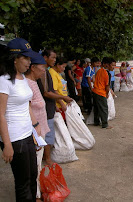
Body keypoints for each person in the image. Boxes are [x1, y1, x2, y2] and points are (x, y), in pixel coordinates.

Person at [0, 38, 41, 201]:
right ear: (14, 58)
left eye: (30, 58)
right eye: (26, 58)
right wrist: (7, 145)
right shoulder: (4, 80)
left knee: (32, 176)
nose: (29, 62)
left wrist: (35, 125)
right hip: (15, 138)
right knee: (23, 183)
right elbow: (0, 114)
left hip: (27, 134)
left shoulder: (22, 78)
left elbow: (27, 105)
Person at [38, 49, 72, 166]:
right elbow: (47, 92)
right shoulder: (44, 72)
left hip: (50, 106)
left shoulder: (46, 71)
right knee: (48, 134)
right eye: (53, 58)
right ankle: (47, 159)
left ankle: (45, 156)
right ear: (45, 57)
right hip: (46, 109)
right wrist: (63, 99)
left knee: (47, 133)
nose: (54, 60)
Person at [25, 53, 50, 201]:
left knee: (37, 164)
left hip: (40, 130)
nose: (43, 71)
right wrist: (35, 129)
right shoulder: (27, 84)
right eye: (42, 68)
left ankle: (37, 192)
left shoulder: (34, 82)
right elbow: (27, 109)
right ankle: (35, 195)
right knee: (34, 165)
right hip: (35, 132)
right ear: (32, 67)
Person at [92, 57, 115, 129]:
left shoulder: (99, 70)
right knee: (104, 108)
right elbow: (107, 86)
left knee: (96, 108)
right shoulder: (107, 73)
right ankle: (105, 124)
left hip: (95, 91)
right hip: (101, 92)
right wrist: (107, 94)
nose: (113, 67)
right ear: (107, 65)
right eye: (112, 65)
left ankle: (96, 122)